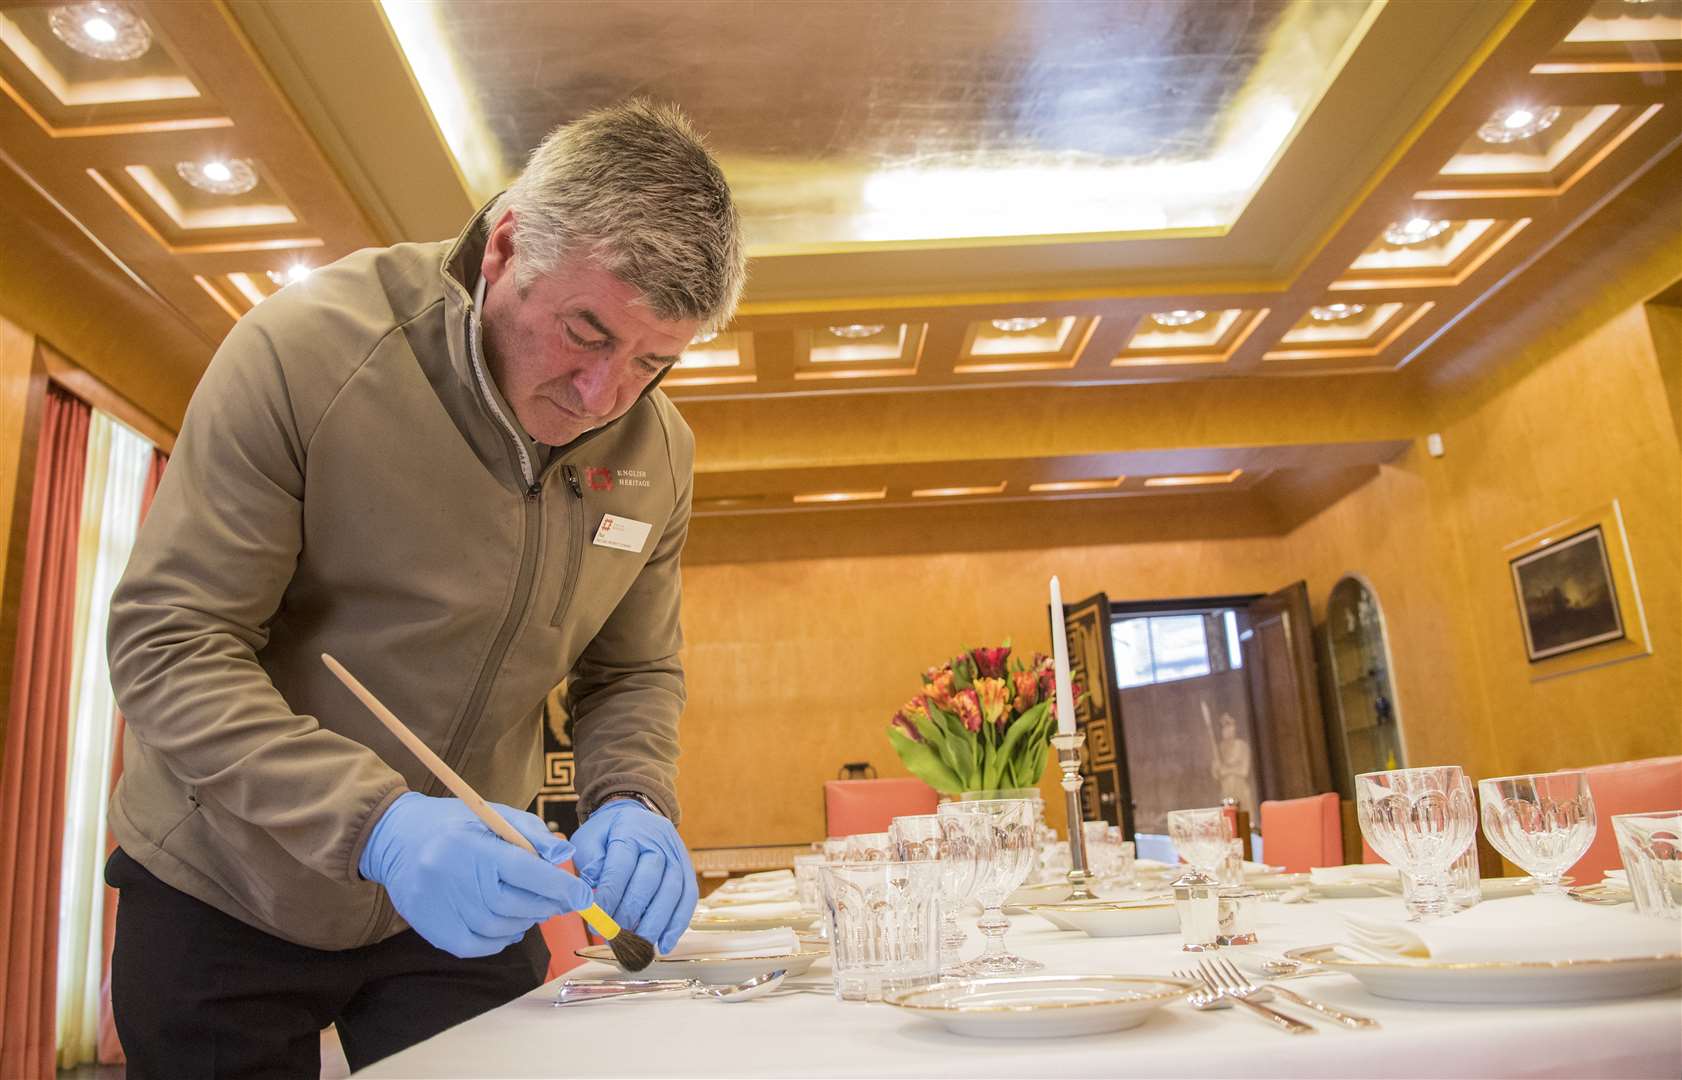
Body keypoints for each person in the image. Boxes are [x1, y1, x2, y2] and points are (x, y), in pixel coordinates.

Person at [103, 99, 746, 1078]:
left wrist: (634, 802)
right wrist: (381, 825)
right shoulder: (305, 355)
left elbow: (633, 672)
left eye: (652, 363)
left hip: (468, 899)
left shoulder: (658, 454)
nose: (602, 397)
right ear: (503, 250)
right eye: (584, 332)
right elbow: (169, 642)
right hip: (231, 881)